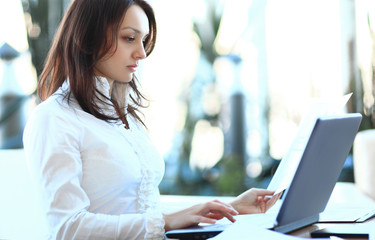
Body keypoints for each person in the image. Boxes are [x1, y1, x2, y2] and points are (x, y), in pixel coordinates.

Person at [23, 0, 281, 239]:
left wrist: (227, 207)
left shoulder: (124, 117)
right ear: (88, 37)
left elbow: (139, 204)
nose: (141, 53)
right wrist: (165, 222)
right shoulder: (54, 119)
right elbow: (67, 228)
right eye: (129, 38)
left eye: (143, 40)